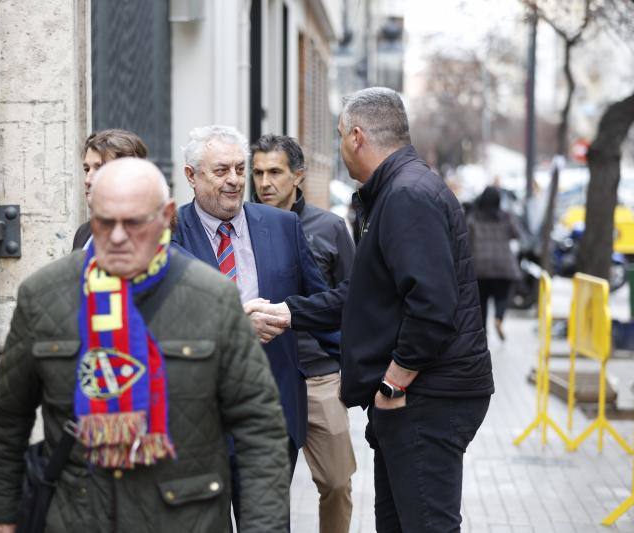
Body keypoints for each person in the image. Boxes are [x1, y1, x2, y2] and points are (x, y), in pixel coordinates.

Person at [0, 157, 290, 533]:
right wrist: (0, 515)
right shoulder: (44, 296)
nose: (116, 236)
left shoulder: (212, 299)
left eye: (133, 223)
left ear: (167, 216)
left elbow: (259, 427)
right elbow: (7, 418)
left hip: (185, 520)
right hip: (76, 516)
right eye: (104, 222)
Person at [246, 87, 494, 532]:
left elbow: (433, 307)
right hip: (421, 395)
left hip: (427, 397)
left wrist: (393, 386)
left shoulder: (406, 195)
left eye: (340, 136)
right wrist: (289, 313)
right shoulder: (397, 190)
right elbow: (365, 296)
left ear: (358, 136)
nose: (340, 148)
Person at [172, 125, 340, 526]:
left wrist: (362, 370)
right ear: (191, 176)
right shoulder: (168, 235)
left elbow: (322, 307)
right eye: (220, 171)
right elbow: (162, 322)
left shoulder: (281, 226)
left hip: (272, 419)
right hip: (200, 424)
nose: (234, 181)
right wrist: (233, 324)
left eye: (238, 169)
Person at [251, 134, 356, 533]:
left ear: (298, 175)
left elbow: (352, 298)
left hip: (319, 377)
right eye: (258, 172)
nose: (265, 183)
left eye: (275, 172)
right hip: (265, 379)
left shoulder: (328, 228)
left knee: (336, 482)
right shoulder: (240, 227)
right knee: (267, 490)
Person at [73, 129, 149, 250]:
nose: (87, 180)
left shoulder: (149, 237)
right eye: (87, 170)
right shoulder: (83, 233)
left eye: (100, 169)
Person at [467, 185, 521, 340]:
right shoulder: (506, 217)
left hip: (479, 266)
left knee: (481, 300)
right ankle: (498, 318)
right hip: (502, 265)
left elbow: (466, 238)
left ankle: (483, 332)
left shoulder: (473, 217)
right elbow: (515, 233)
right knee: (502, 295)